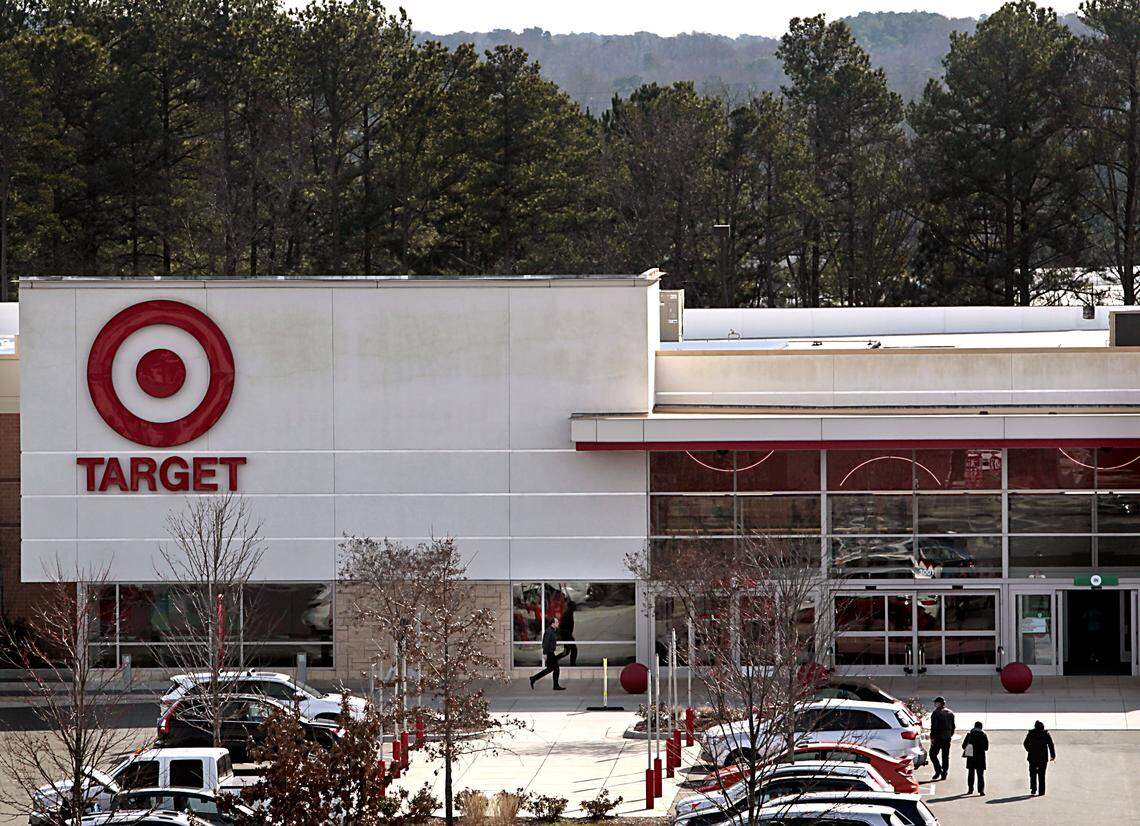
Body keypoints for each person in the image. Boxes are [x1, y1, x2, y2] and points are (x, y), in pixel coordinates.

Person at [529, 618, 566, 691]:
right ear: (553, 623)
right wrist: (545, 653)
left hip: (551, 652)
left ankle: (533, 678)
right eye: (557, 622)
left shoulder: (553, 630)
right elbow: (545, 643)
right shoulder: (549, 631)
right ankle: (555, 686)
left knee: (550, 669)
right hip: (549, 653)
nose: (558, 623)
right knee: (556, 669)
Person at [1023, 720, 1056, 796]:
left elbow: (1025, 743)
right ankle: (1041, 791)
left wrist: (1030, 750)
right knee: (1042, 775)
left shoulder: (1031, 734)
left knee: (1033, 774)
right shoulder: (1046, 734)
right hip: (1043, 758)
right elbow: (1051, 745)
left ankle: (1033, 789)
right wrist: (1052, 755)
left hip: (1032, 757)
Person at [928, 696, 956, 781]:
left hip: (938, 738)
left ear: (939, 703)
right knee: (945, 756)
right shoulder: (950, 713)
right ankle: (944, 772)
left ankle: (938, 770)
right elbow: (953, 726)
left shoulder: (936, 713)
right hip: (947, 738)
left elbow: (934, 726)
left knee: (932, 754)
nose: (934, 704)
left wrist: (932, 737)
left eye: (936, 702)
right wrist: (950, 735)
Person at [962, 721, 989, 795]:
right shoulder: (983, 735)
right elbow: (986, 748)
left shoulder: (969, 734)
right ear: (981, 727)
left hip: (971, 756)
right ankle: (981, 790)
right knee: (980, 774)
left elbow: (963, 746)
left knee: (971, 773)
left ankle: (970, 789)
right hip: (980, 756)